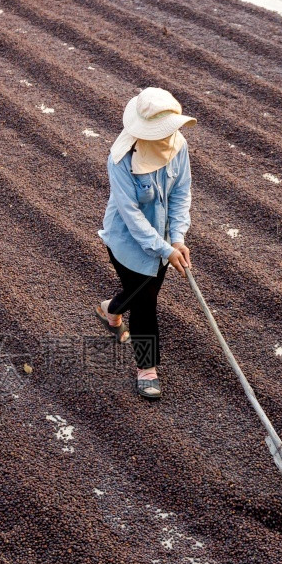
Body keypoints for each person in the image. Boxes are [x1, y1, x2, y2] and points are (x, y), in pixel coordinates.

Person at [95, 87, 196, 399]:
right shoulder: (121, 160)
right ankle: (146, 367)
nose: (170, 136)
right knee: (145, 301)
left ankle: (110, 309)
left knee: (140, 291)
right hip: (127, 243)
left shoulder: (178, 147)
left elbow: (181, 194)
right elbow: (131, 215)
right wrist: (165, 248)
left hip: (163, 242)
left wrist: (177, 238)